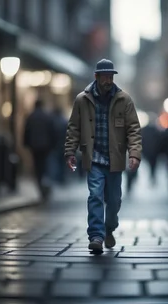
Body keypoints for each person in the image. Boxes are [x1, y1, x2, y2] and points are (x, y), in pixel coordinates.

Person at [65, 59, 142, 253]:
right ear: (96, 77)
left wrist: (134, 154)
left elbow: (133, 129)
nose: (108, 80)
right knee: (95, 196)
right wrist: (70, 151)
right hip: (94, 159)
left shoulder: (124, 100)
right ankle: (96, 236)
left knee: (114, 200)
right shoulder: (82, 99)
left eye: (111, 76)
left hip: (115, 159)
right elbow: (73, 127)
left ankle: (109, 228)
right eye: (105, 76)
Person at [23, 99, 56, 199]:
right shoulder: (47, 117)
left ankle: (40, 185)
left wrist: (26, 143)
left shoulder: (31, 117)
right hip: (46, 146)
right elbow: (52, 132)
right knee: (45, 166)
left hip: (34, 146)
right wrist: (53, 145)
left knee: (37, 166)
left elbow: (26, 132)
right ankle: (45, 185)